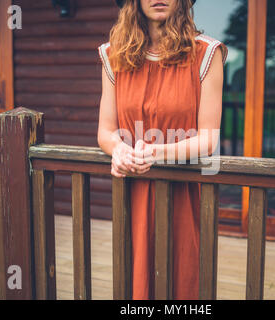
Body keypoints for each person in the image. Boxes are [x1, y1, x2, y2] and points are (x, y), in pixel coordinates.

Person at [97, 0, 227, 300]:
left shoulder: (207, 54)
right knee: (135, 284)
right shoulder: (113, 55)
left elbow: (208, 138)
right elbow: (105, 131)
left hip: (185, 192)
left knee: (182, 282)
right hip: (133, 189)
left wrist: (155, 153)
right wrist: (118, 150)